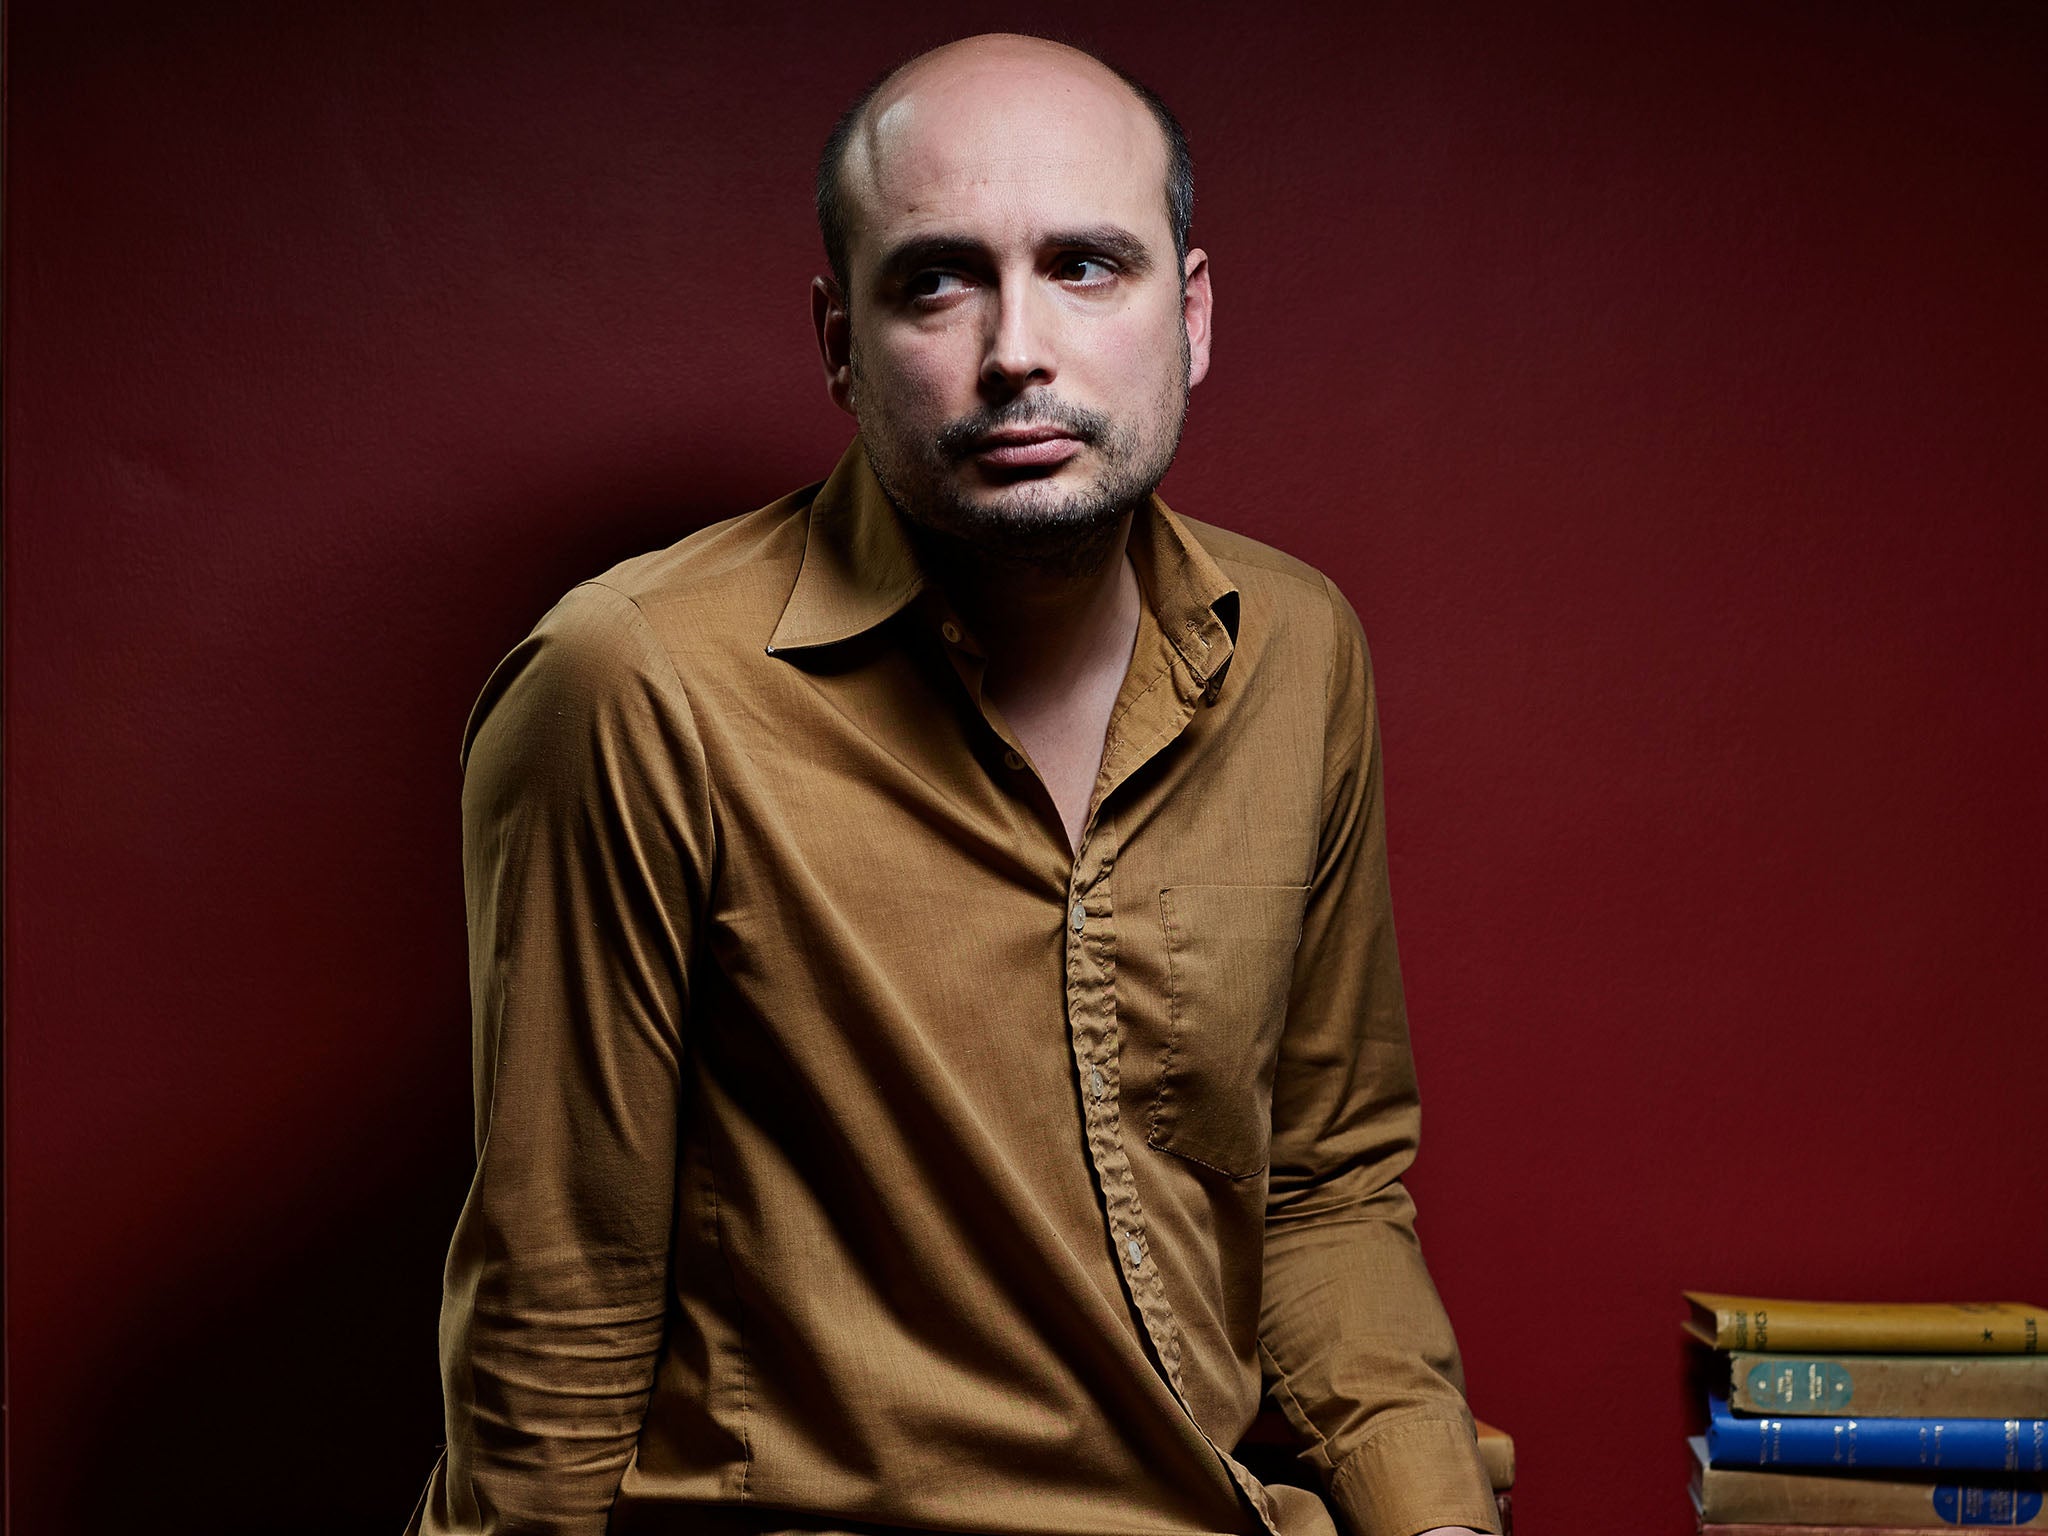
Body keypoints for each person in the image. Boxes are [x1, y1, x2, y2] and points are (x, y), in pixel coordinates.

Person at [408, 32, 1497, 1536]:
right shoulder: (633, 682)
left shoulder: (1298, 652)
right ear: (838, 340)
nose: (1015, 350)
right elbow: (561, 1289)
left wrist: (1433, 1519)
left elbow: (1320, 1191)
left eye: (1085, 267)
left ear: (1188, 315)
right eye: (936, 280)